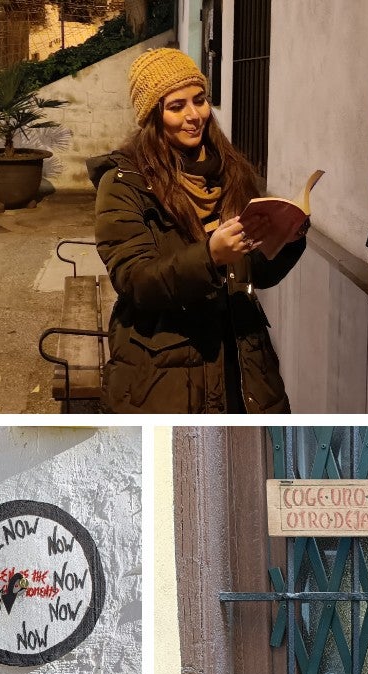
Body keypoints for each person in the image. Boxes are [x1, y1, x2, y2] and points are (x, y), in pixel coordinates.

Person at [87, 48, 307, 413]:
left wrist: (287, 237)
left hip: (242, 363)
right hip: (163, 372)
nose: (194, 116)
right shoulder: (125, 182)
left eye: (200, 100)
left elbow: (258, 274)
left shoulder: (233, 171)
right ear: (153, 115)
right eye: (177, 106)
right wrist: (210, 258)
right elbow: (135, 280)